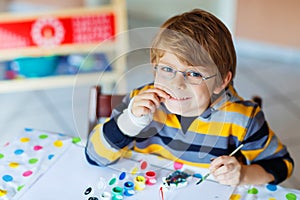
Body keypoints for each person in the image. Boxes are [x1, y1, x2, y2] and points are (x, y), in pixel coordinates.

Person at [85, 8, 294, 186]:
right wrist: (129, 123)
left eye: (194, 74)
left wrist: (243, 174)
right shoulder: (139, 102)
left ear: (221, 81)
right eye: (167, 69)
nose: (177, 84)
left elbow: (282, 164)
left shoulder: (243, 119)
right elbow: (94, 156)